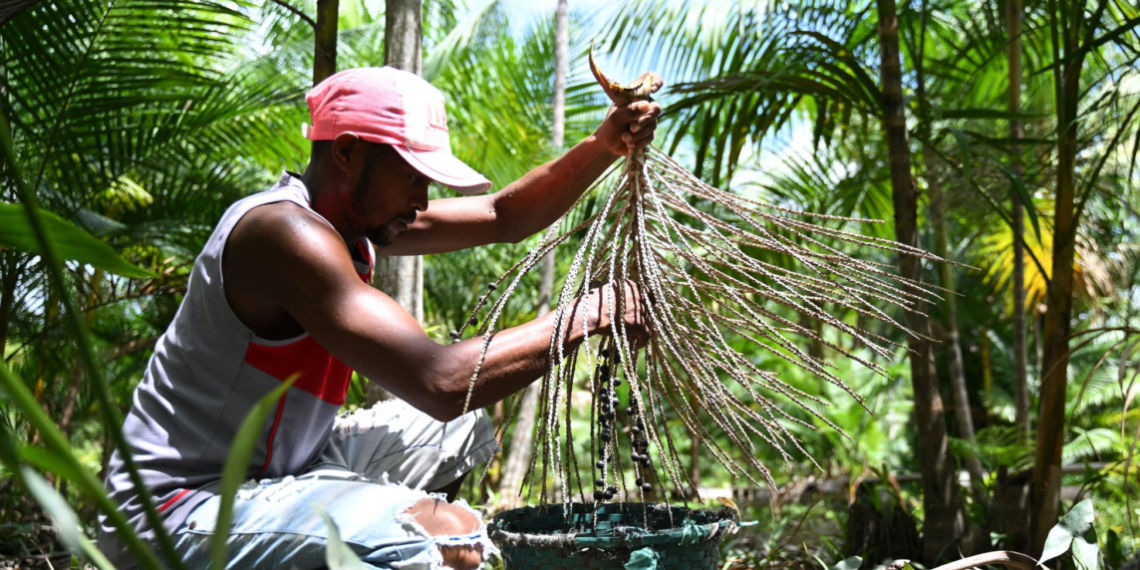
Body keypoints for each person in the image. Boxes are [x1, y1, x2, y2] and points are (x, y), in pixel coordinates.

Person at [98, 66, 661, 570]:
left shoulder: (354, 223)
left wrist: (602, 144)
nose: (422, 198)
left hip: (287, 468)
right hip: (174, 510)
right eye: (414, 174)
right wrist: (595, 310)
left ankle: (356, 538)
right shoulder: (285, 234)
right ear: (347, 152)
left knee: (461, 428)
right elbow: (440, 382)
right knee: (450, 540)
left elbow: (500, 214)